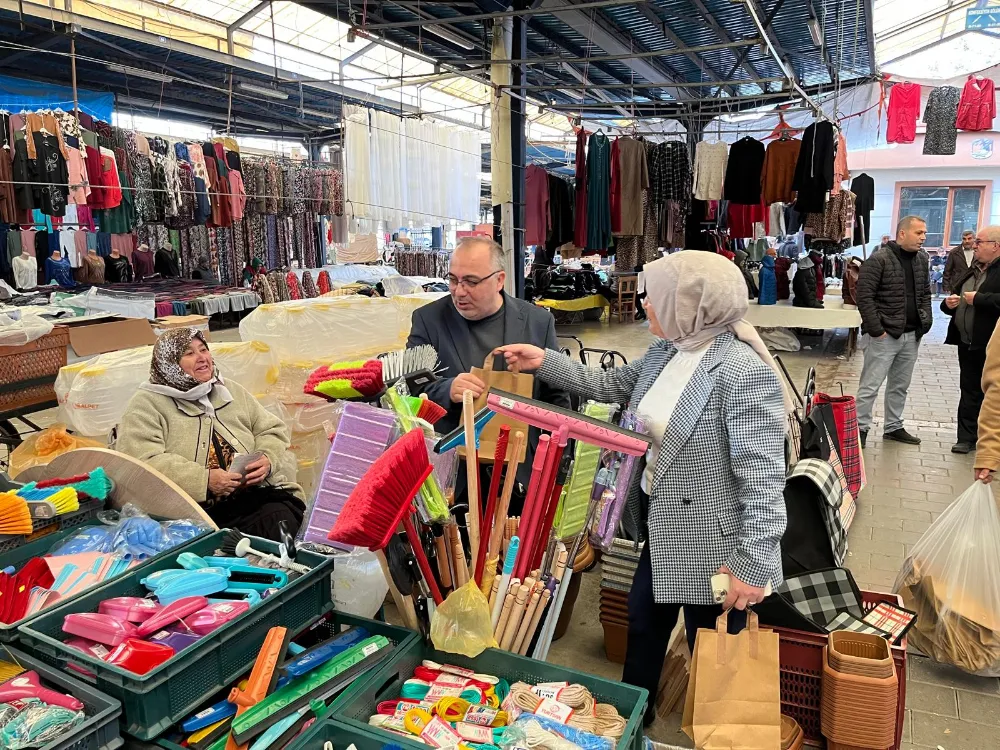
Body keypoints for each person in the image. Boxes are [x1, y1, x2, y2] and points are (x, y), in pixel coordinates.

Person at [499, 251, 789, 724]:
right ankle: (634, 720)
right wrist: (543, 361)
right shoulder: (667, 350)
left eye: (655, 297)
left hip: (720, 545)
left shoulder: (741, 371)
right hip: (663, 525)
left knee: (714, 647)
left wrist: (751, 565)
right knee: (642, 622)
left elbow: (764, 480)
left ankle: (723, 730)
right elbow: (608, 384)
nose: (644, 304)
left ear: (689, 304)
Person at [406, 237, 571, 508]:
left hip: (520, 472)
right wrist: (447, 389)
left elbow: (556, 398)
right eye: (453, 280)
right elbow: (410, 388)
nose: (459, 291)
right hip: (454, 477)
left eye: (471, 282)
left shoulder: (537, 322)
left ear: (499, 280)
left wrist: (558, 468)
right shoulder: (428, 319)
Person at [116, 328, 304, 541]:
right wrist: (203, 480)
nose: (202, 358)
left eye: (203, 349)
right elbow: (143, 462)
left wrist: (267, 458)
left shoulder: (227, 389)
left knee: (282, 520)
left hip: (253, 495)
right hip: (194, 513)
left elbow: (271, 429)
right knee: (273, 527)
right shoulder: (146, 404)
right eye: (189, 353)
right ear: (169, 363)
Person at [855, 216, 932, 448]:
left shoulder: (922, 260)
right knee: (870, 386)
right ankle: (860, 429)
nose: (923, 237)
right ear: (902, 234)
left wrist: (925, 322)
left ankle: (893, 427)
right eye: (918, 233)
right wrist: (876, 330)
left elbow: (925, 293)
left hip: (911, 335)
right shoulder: (879, 259)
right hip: (884, 336)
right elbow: (864, 297)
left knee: (900, 385)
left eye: (924, 233)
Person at [941, 227, 1000, 454]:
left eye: (979, 242)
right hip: (967, 343)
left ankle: (989, 441)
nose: (974, 245)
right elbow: (954, 298)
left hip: (992, 345)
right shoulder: (972, 269)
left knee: (992, 394)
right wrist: (948, 305)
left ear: (995, 246)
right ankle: (966, 438)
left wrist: (980, 299)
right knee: (969, 390)